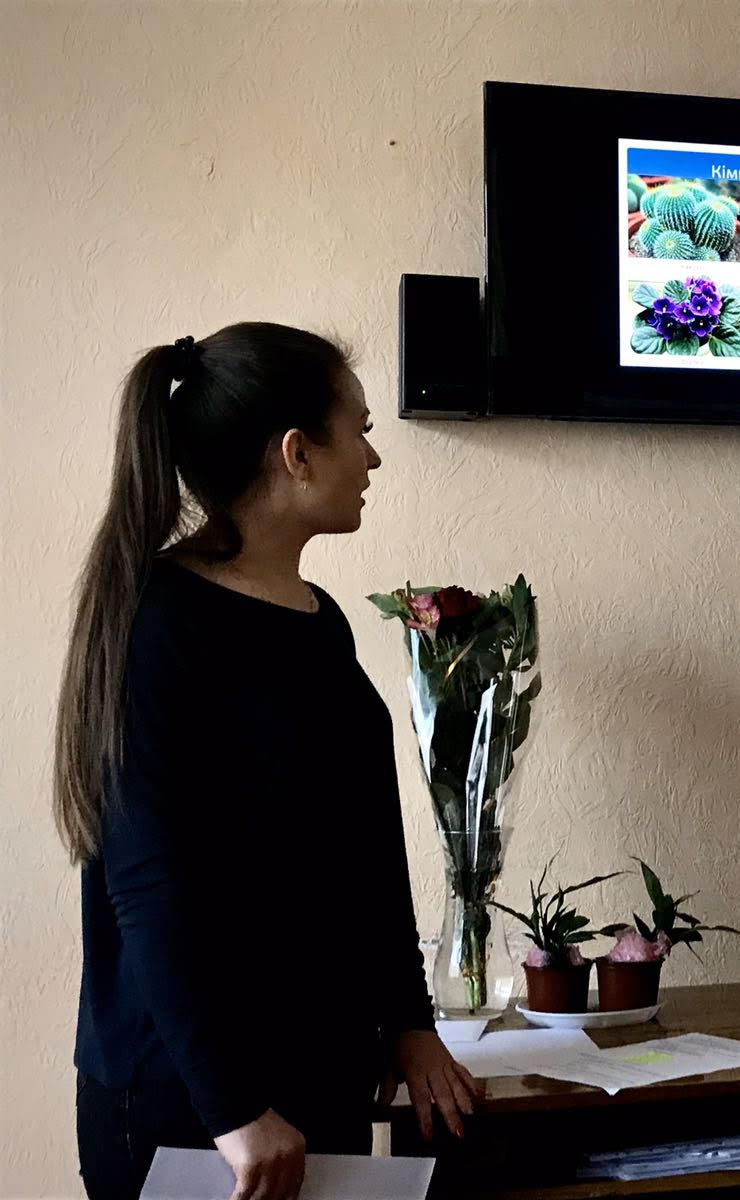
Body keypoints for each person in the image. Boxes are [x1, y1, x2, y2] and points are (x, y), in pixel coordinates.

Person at [55, 324, 478, 1200]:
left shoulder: (321, 619)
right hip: (194, 1106)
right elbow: (148, 888)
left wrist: (409, 1022)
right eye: (360, 431)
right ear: (297, 454)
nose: (372, 458)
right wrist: (234, 1109)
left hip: (315, 1079)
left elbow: (366, 847)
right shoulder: (158, 623)